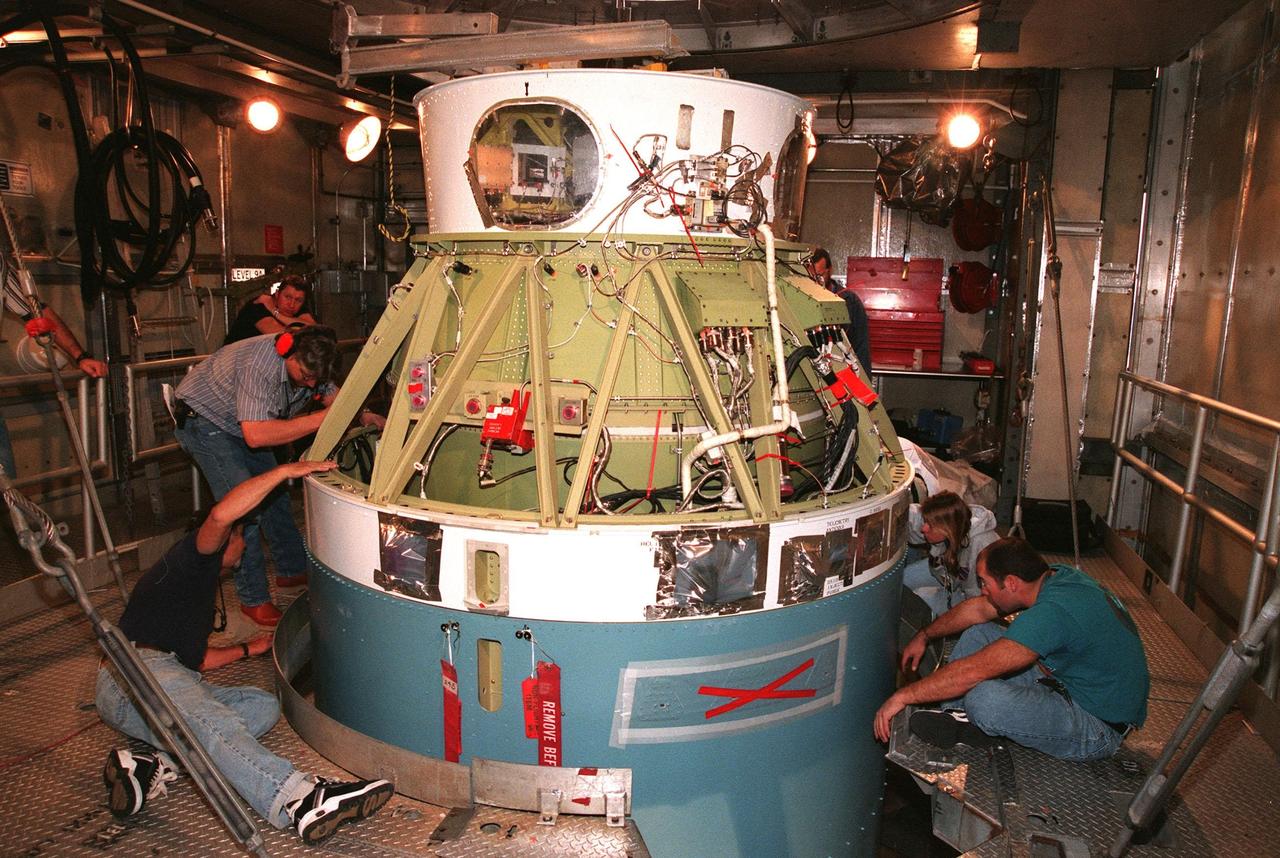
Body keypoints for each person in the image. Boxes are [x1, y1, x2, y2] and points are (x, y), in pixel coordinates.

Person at [96, 459, 394, 845]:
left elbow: (197, 661)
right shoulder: (192, 560)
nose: (245, 544)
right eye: (241, 537)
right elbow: (221, 514)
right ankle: (300, 798)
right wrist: (285, 472)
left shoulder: (195, 585)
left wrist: (248, 649)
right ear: (224, 541)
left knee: (260, 707)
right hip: (131, 674)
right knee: (211, 721)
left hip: (157, 679)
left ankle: (151, 764)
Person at [173, 325, 381, 626]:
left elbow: (334, 398)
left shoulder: (312, 364)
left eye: (316, 378)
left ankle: (292, 570)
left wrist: (362, 414)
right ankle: (253, 598)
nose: (311, 383)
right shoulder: (258, 365)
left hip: (240, 425)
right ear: (288, 352)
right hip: (206, 422)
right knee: (244, 510)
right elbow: (256, 435)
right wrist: (322, 420)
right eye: (305, 376)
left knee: (276, 495)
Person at [874, 537, 1149, 762]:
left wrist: (903, 696)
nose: (983, 591)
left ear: (1012, 583)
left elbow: (971, 673)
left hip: (1098, 725)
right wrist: (924, 635)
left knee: (984, 699)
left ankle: (971, 719)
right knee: (979, 633)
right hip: (1070, 684)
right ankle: (956, 718)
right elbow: (978, 611)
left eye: (985, 583)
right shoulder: (1056, 579)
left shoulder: (1052, 613)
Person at [902, 491, 999, 616]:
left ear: (947, 528)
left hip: (975, 596)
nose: (923, 528)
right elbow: (909, 515)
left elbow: (980, 601)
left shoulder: (982, 547)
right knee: (903, 582)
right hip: (949, 574)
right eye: (925, 521)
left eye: (930, 525)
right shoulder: (951, 521)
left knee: (919, 598)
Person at [808, 247, 872, 373]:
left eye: (820, 276)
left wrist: (862, 380)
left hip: (842, 367)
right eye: (811, 277)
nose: (816, 282)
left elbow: (861, 347)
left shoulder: (849, 301)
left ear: (830, 270)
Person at [225, 275, 318, 345]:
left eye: (298, 300)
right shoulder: (259, 305)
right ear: (277, 294)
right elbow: (282, 336)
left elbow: (316, 330)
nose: (292, 304)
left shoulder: (295, 307)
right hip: (232, 359)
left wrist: (275, 313)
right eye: (287, 297)